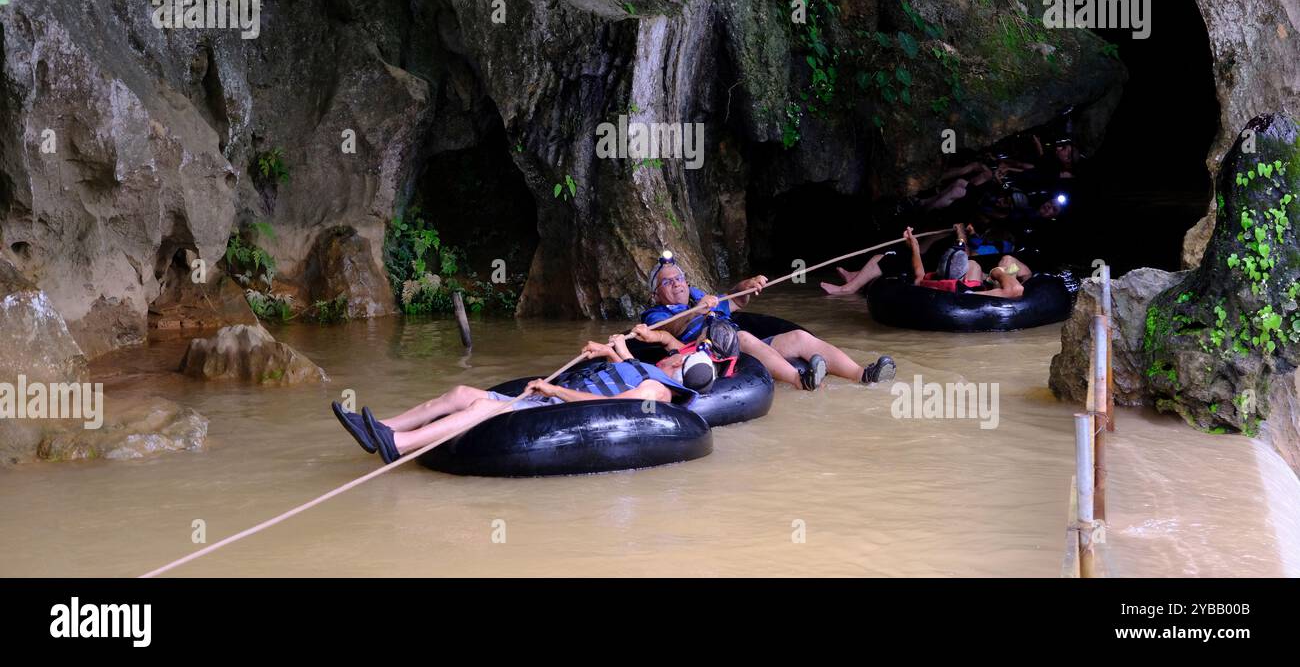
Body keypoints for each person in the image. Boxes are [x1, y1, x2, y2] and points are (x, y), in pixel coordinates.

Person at [331, 334, 707, 463]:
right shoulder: (649, 371)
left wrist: (554, 389)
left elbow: (612, 407)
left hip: (560, 411)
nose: (673, 352)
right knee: (461, 392)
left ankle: (398, 445)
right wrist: (607, 351)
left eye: (678, 355)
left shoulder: (658, 390)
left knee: (482, 407)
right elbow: (626, 362)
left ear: (679, 366)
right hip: (553, 401)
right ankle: (380, 427)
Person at [635, 252, 895, 391]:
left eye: (678, 278)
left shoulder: (699, 297)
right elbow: (669, 330)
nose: (676, 284)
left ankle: (863, 374)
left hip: (733, 345)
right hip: (703, 353)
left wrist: (747, 286)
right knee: (744, 337)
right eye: (667, 282)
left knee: (798, 338)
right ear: (656, 293)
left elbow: (736, 302)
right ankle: (799, 380)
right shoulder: (656, 314)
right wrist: (699, 312)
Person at [821, 224, 1032, 298]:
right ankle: (853, 281)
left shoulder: (937, 282)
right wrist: (998, 273)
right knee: (1004, 262)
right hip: (991, 279)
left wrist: (913, 246)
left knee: (1003, 261)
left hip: (989, 277)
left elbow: (919, 273)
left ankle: (851, 283)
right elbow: (1014, 290)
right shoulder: (972, 291)